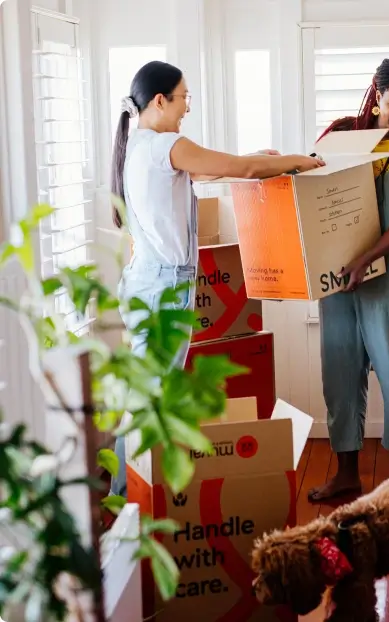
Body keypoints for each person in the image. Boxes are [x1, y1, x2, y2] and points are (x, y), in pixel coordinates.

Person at [110, 60, 324, 497]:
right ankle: (127, 496)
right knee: (154, 397)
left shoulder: (142, 145)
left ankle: (126, 492)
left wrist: (262, 159)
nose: (187, 105)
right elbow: (236, 170)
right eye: (184, 96)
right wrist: (297, 163)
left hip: (148, 280)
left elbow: (210, 170)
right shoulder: (165, 143)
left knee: (147, 393)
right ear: (159, 100)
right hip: (164, 285)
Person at [308, 57, 389, 502]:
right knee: (340, 373)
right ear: (375, 93)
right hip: (341, 276)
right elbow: (313, 191)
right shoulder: (344, 137)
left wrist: (367, 258)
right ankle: (347, 474)